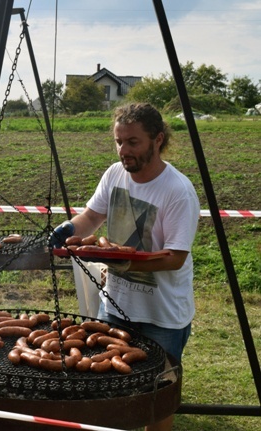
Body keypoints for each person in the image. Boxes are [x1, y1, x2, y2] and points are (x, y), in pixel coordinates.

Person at [49, 102, 199, 431]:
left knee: (156, 399)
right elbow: (91, 217)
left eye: (132, 142)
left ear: (157, 139)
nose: (123, 150)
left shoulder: (178, 191)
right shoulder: (115, 174)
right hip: (115, 306)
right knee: (107, 394)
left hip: (162, 317)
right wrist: (68, 230)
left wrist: (114, 257)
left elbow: (175, 257)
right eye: (119, 141)